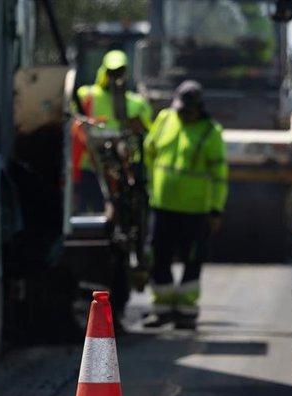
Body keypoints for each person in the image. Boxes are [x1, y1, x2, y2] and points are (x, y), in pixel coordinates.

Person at [143, 80, 228, 329]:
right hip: (162, 205)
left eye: (188, 110)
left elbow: (219, 177)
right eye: (180, 108)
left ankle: (186, 312)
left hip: (195, 211)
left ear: (199, 108)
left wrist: (215, 210)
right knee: (159, 257)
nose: (182, 113)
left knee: (193, 260)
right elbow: (149, 150)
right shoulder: (165, 119)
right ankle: (162, 310)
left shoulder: (210, 132)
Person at [71, 50, 153, 213]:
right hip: (90, 167)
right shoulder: (87, 96)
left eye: (119, 72)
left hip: (123, 169)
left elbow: (147, 134)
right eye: (112, 72)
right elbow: (73, 123)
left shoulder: (137, 103)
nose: (116, 77)